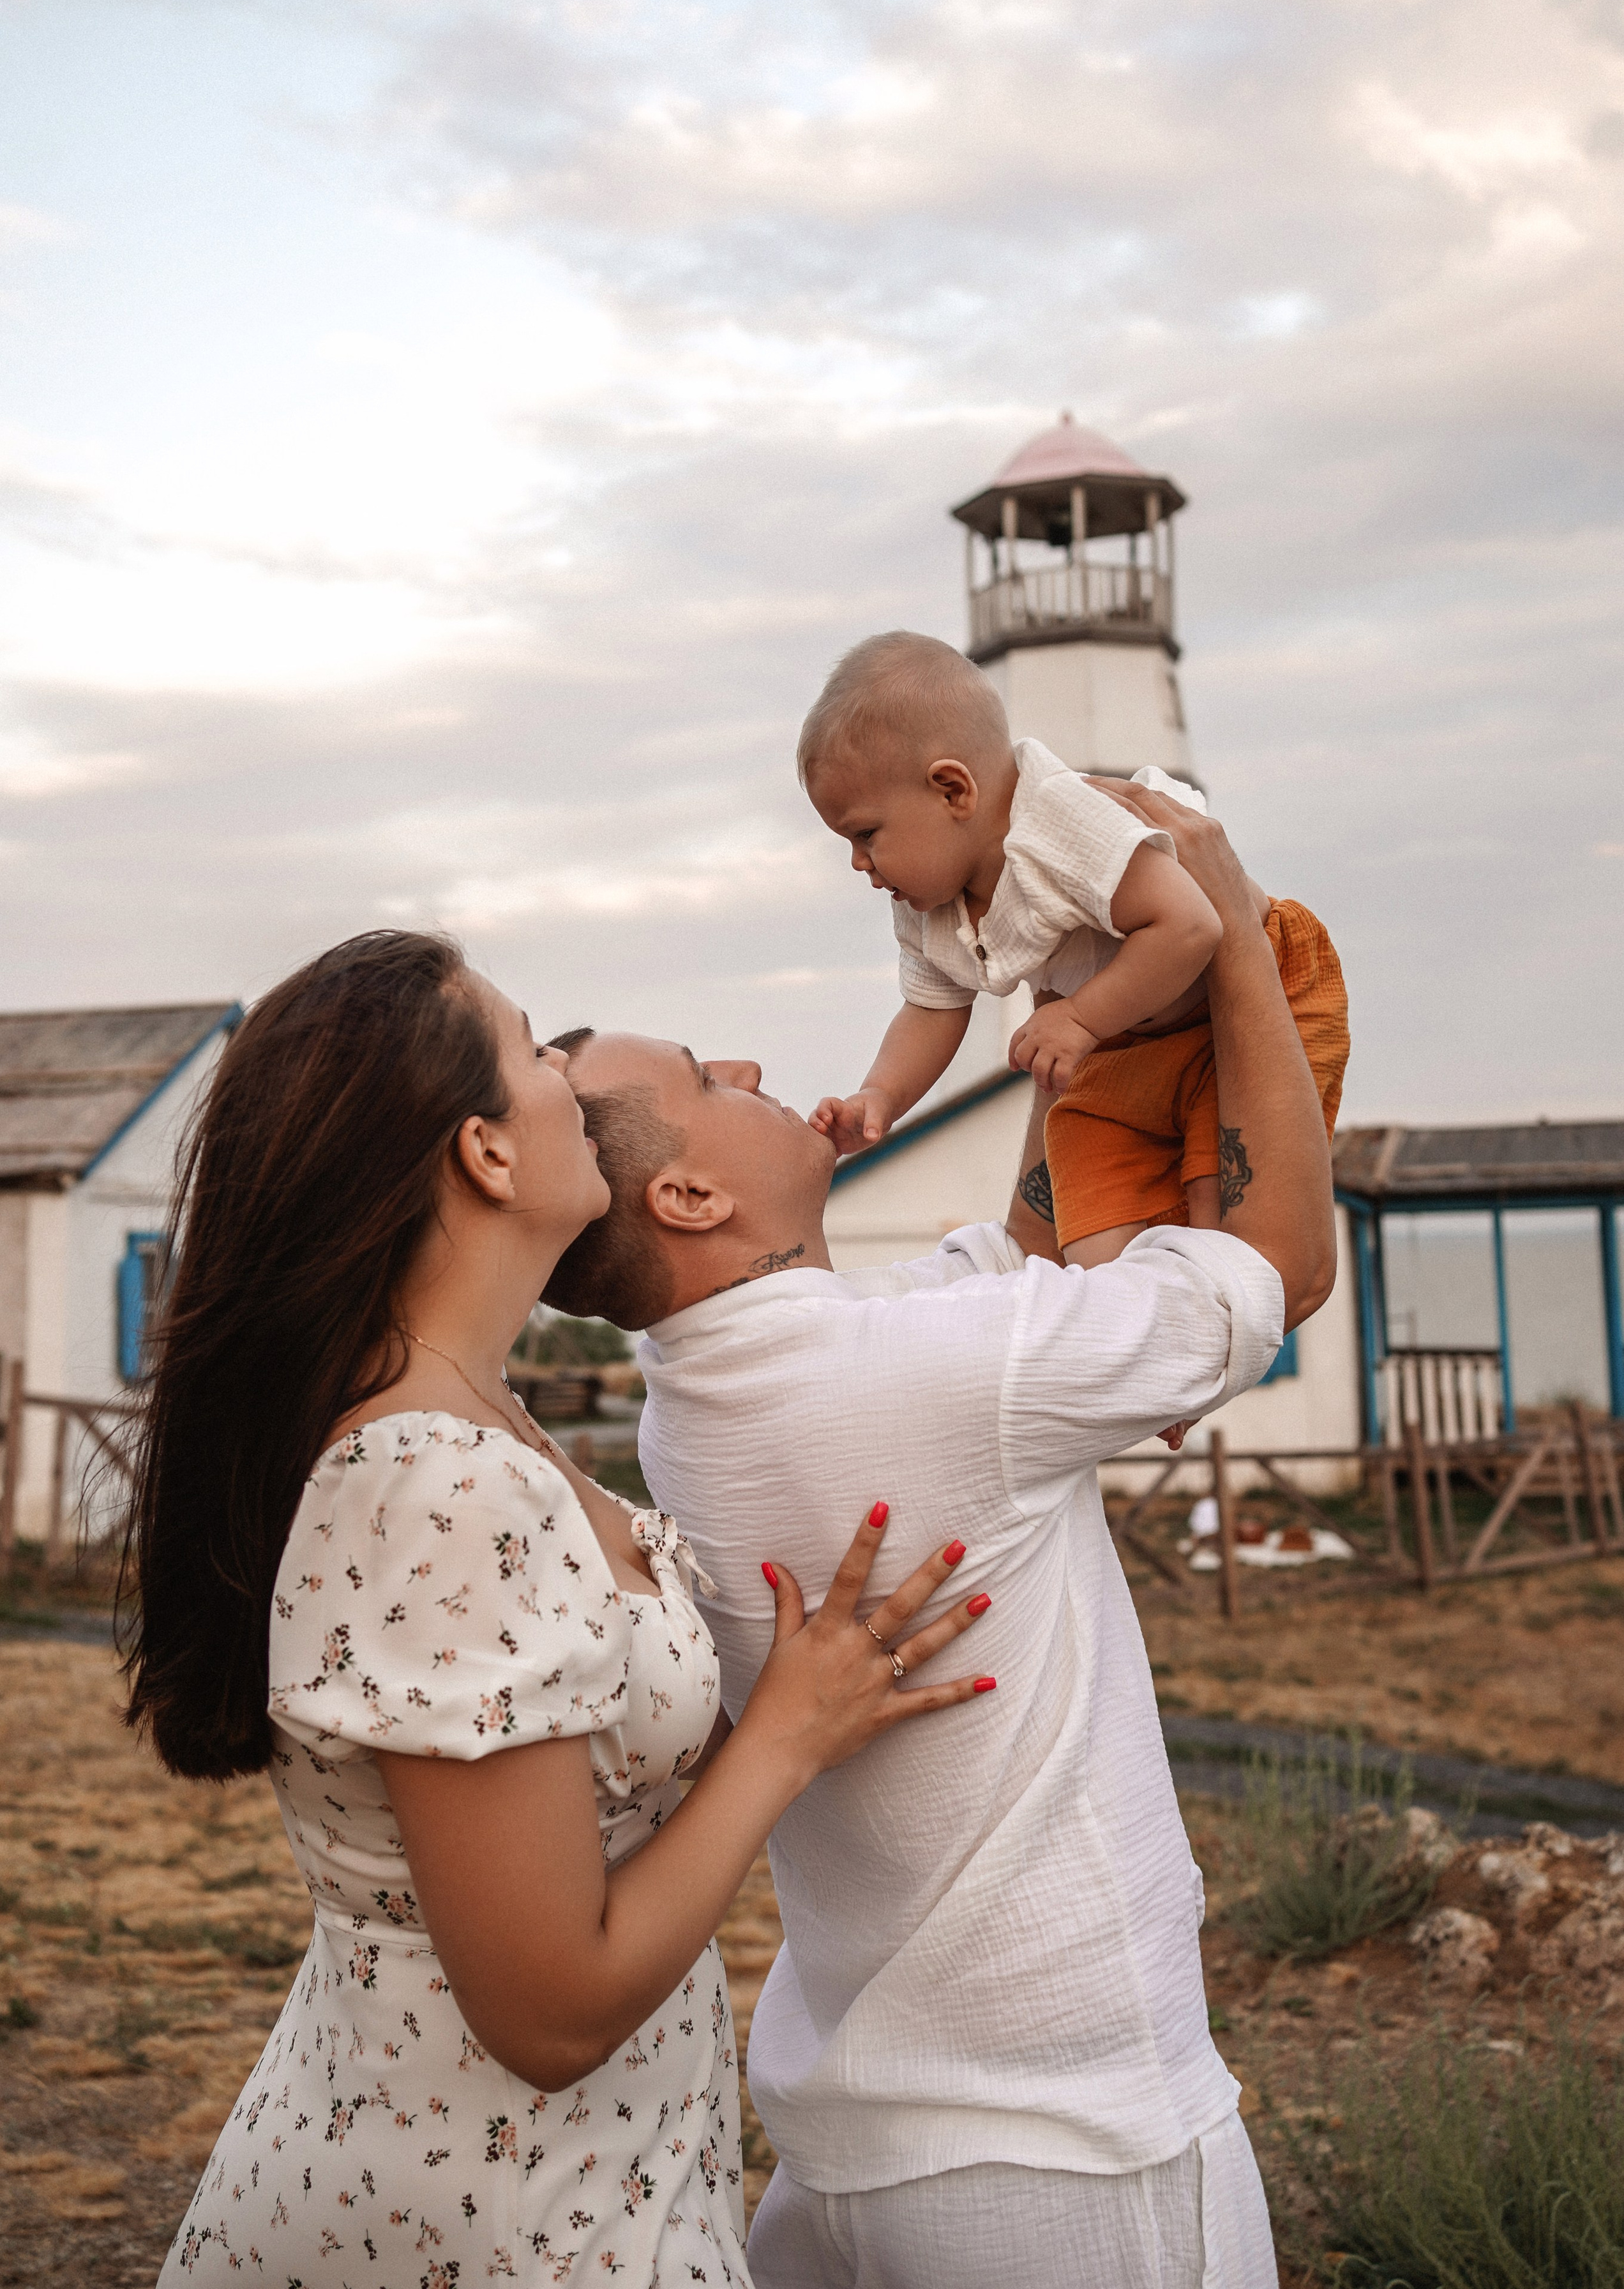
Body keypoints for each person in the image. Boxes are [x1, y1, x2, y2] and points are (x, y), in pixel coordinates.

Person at [543, 788, 1337, 2289]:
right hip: (1065, 2156)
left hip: (855, 2156)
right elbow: (1279, 1265)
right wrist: (1225, 943)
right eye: (708, 1077)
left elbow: (1032, 1249)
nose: (751, 1060)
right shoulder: (934, 1374)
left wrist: (1072, 1007)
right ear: (692, 1191)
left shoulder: (705, 1402)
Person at [122, 928, 996, 2288]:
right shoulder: (433, 1483)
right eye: (537, 1051)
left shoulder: (478, 1421)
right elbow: (547, 2009)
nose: (569, 1077)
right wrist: (785, 1736)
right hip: (495, 2218)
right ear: (484, 1153)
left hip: (552, 2177)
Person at [798, 630, 1348, 1267]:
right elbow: (930, 1009)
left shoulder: (1063, 822)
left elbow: (1192, 926)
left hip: (1245, 1000)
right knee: (1086, 1249)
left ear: (954, 791)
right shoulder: (925, 903)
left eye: (865, 834)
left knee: (1218, 1227)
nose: (858, 863)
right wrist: (880, 1098)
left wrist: (1081, 1016)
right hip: (1122, 1042)